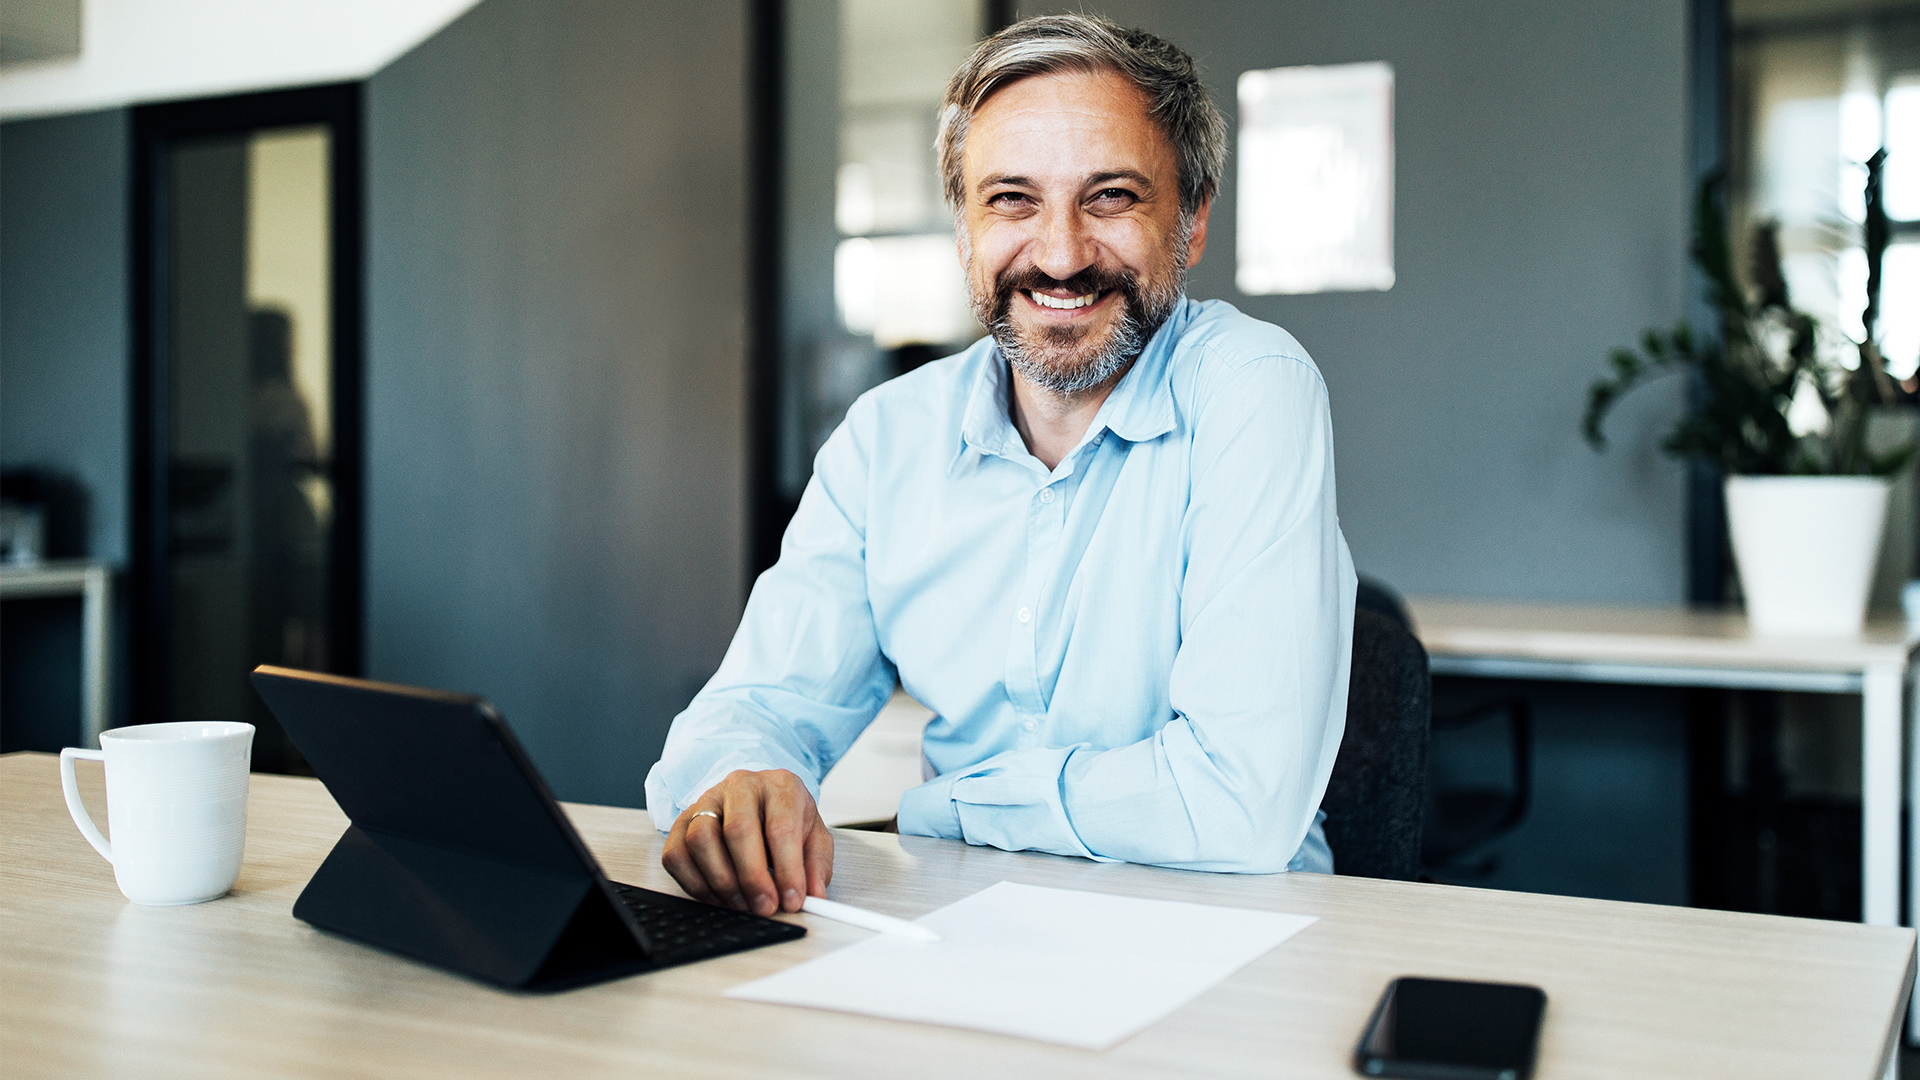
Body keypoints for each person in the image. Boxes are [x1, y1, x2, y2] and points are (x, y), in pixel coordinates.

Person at [645, 13, 1356, 918]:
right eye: (1012, 199)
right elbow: (756, 706)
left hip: (1227, 933)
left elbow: (1238, 806)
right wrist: (742, 787)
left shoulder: (1254, 389)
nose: (1059, 255)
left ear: (1194, 219)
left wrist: (936, 811)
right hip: (960, 927)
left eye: (1112, 197)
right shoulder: (886, 436)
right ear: (963, 228)